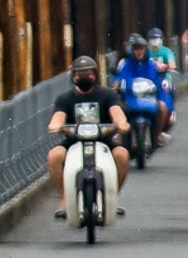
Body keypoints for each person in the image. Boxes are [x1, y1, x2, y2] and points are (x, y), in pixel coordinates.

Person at [46, 55, 131, 218]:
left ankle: (113, 196)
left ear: (95, 75)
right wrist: (55, 125)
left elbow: (116, 112)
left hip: (103, 139)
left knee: (122, 155)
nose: (84, 77)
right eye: (80, 73)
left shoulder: (107, 94)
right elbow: (58, 116)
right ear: (74, 77)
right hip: (73, 140)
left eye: (88, 73)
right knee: (54, 156)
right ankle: (64, 199)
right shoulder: (65, 98)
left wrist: (121, 123)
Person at [114, 35, 174, 138]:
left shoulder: (151, 64)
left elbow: (157, 82)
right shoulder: (126, 64)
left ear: (145, 50)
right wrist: (117, 85)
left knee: (163, 107)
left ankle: (158, 134)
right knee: (117, 108)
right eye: (136, 49)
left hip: (150, 97)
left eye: (141, 48)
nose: (139, 52)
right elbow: (119, 77)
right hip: (130, 97)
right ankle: (121, 134)